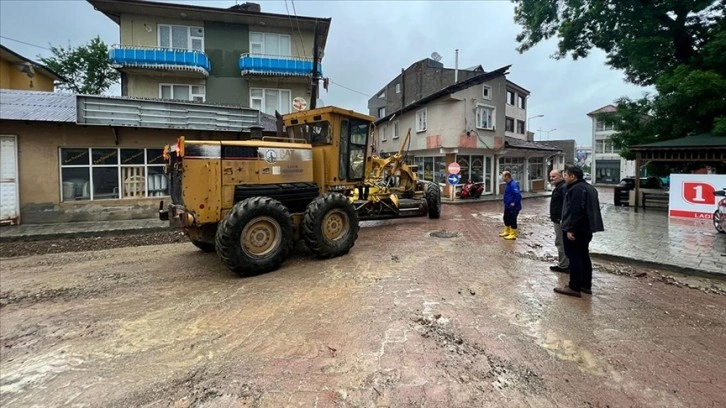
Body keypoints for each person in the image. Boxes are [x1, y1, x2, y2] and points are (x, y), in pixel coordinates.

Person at [555, 165, 604, 297]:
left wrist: (571, 229)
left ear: (573, 176)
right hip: (587, 229)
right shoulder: (590, 188)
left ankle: (574, 286)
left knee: (574, 256)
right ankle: (585, 285)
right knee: (583, 256)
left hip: (577, 229)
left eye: (565, 175)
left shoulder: (576, 189)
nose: (564, 177)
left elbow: (576, 211)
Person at [548, 169, 569, 273]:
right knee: (560, 241)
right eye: (551, 177)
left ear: (561, 177)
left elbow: (566, 205)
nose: (551, 179)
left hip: (560, 220)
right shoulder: (559, 188)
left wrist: (561, 218)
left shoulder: (563, 188)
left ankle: (564, 265)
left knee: (561, 242)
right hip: (557, 219)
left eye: (554, 176)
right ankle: (563, 263)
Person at [498, 171, 522, 240]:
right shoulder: (508, 184)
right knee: (506, 218)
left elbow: (517, 195)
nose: (501, 177)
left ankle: (513, 234)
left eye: (502, 176)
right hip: (508, 206)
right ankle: (507, 231)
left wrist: (514, 203)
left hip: (513, 207)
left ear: (507, 176)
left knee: (513, 220)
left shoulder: (513, 184)